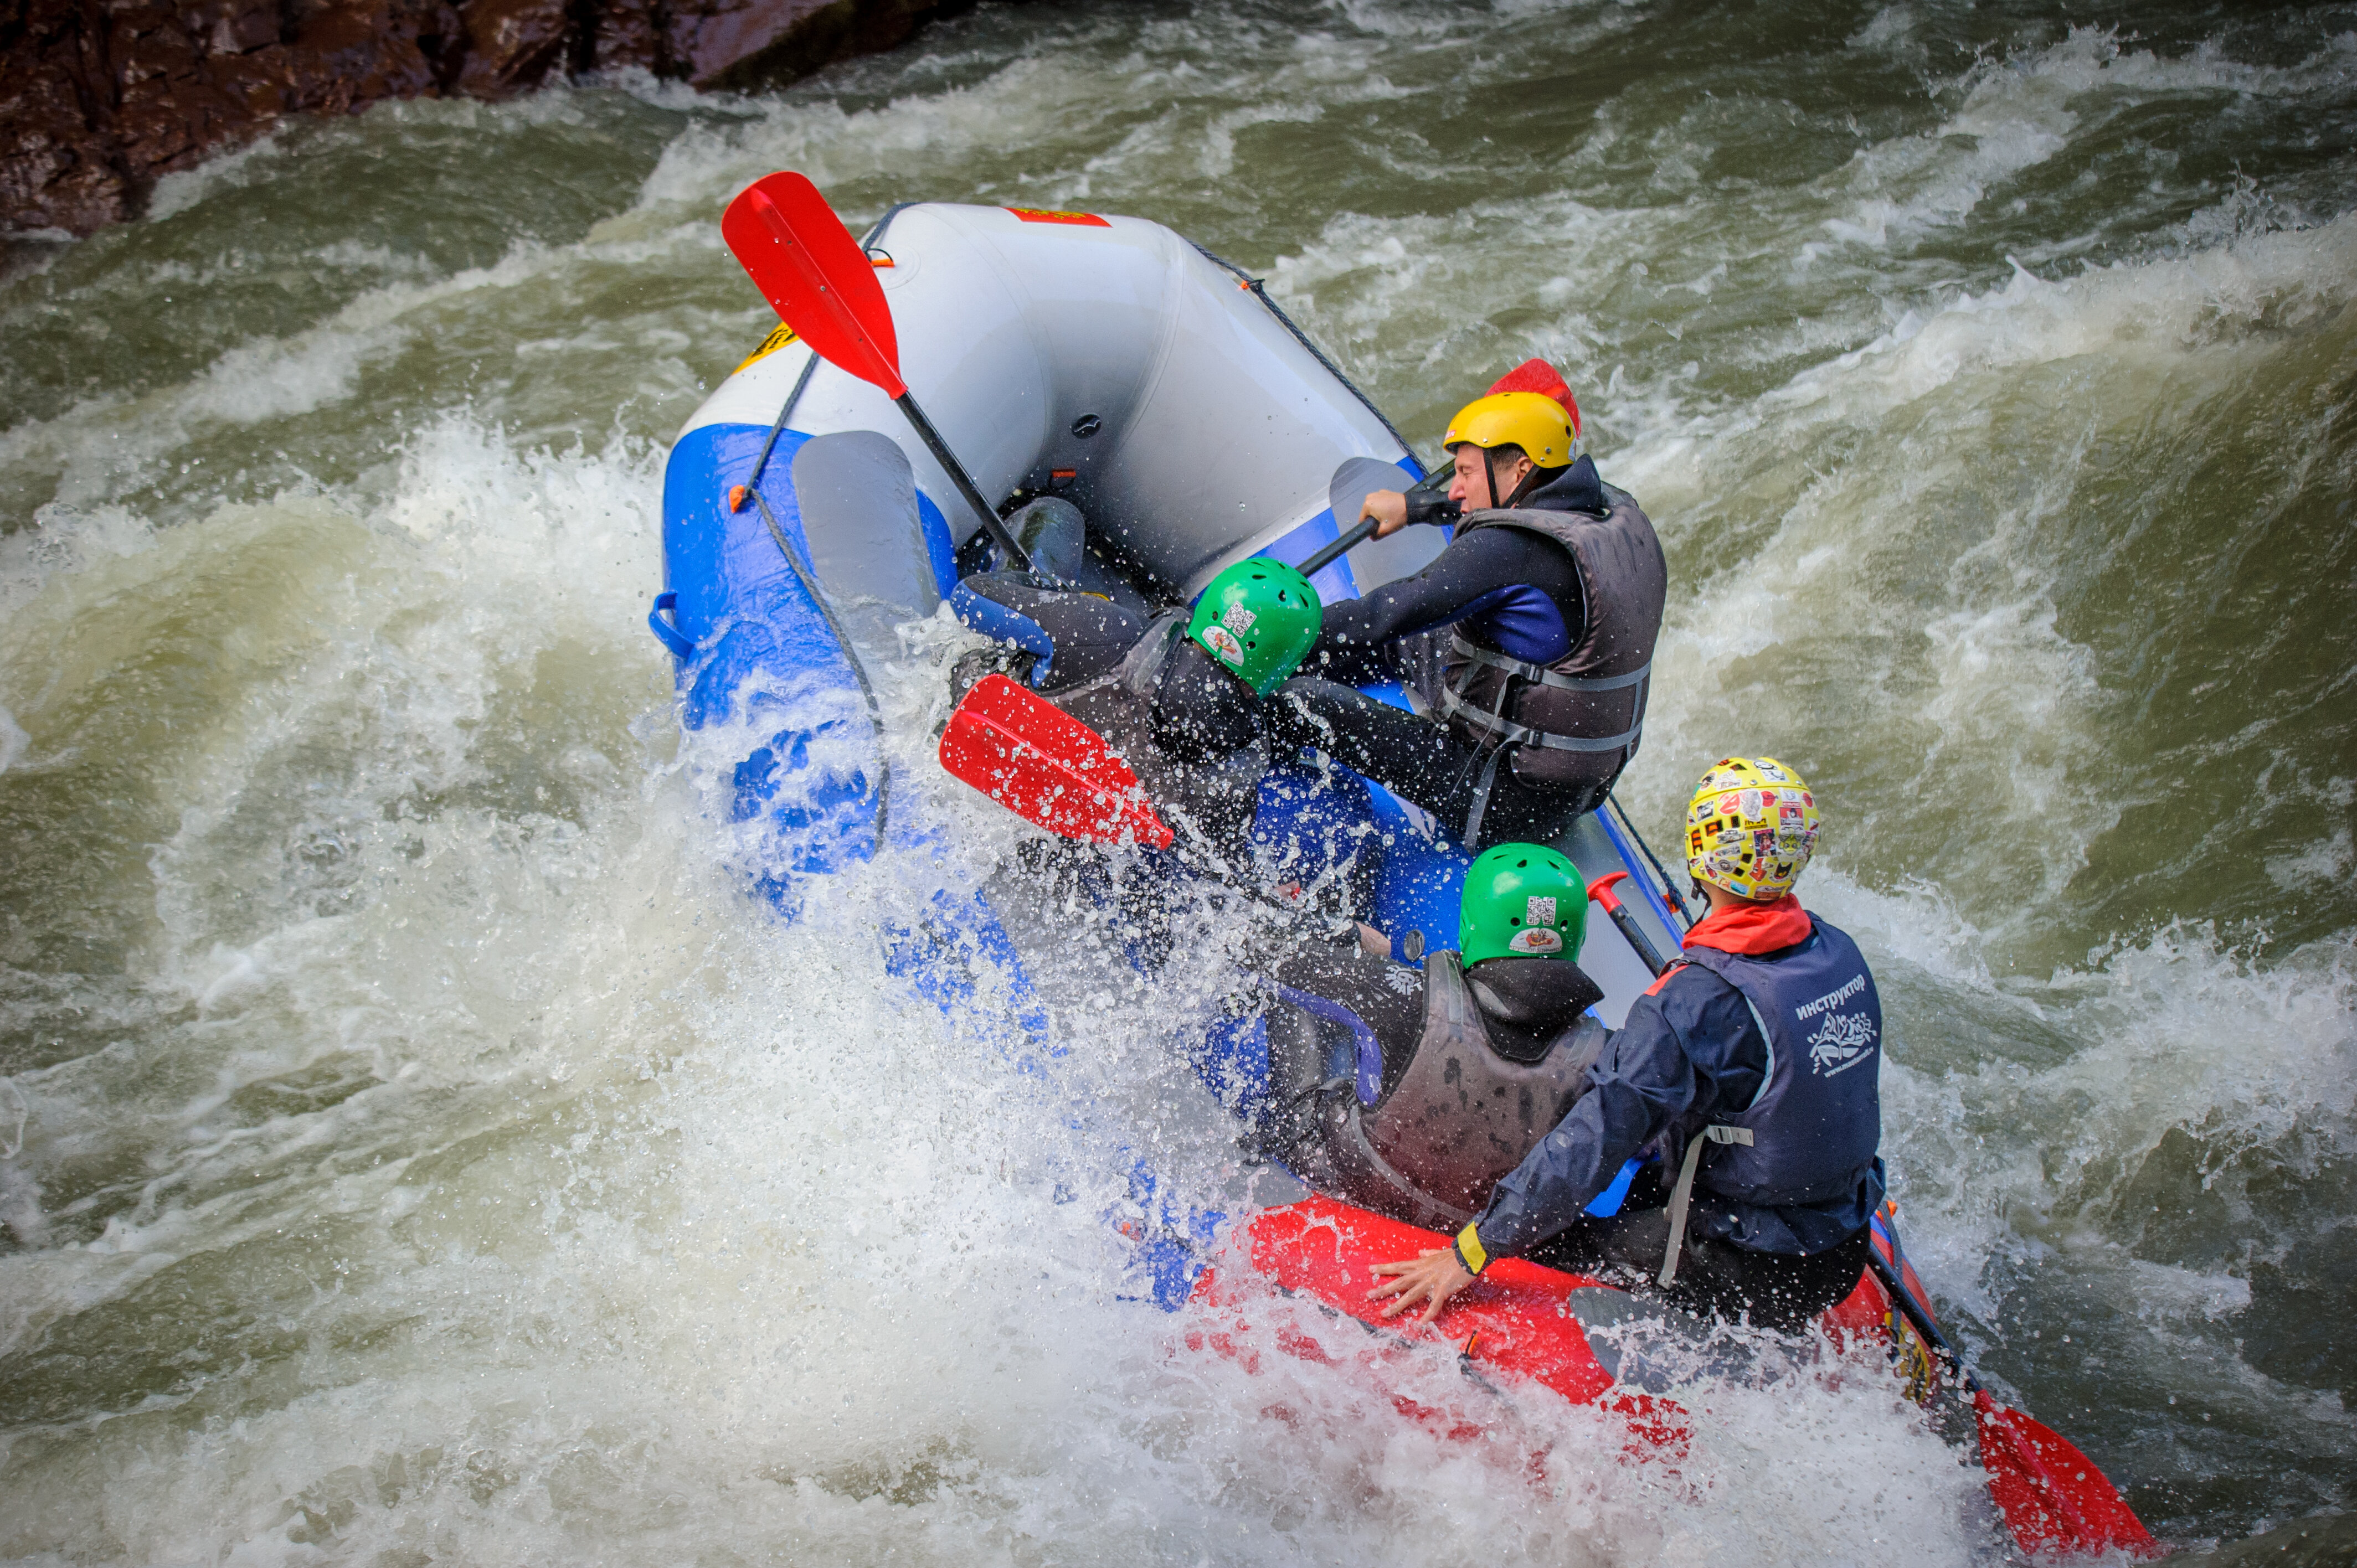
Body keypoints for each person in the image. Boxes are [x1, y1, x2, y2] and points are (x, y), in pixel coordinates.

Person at [1366, 757, 1885, 1333]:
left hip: (1752, 1269)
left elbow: (1595, 1136)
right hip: (1843, 1244)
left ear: (1700, 855)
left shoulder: (1692, 1003)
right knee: (1649, 1177)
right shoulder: (1837, 950)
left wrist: (1471, 1250)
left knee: (1544, 1244)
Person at [1265, 363, 1666, 852]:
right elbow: (1512, 514)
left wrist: (1265, 632)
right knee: (1407, 643)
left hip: (1496, 796)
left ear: (1521, 469)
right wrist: (1416, 508)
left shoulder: (1509, 553)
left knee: (1299, 701)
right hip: (1569, 788)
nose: (1456, 489)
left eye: (1466, 472)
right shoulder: (1609, 514)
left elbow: (1386, 613)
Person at [1252, 842, 1610, 1232]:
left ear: (1471, 926)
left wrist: (1347, 934)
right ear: (1577, 938)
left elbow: (1269, 953)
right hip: (1484, 1228)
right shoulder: (1609, 1055)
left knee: (1296, 997)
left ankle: (1261, 1141)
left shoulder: (1405, 994)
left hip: (1357, 1187)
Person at [951, 545, 1321, 854]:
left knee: (1058, 513)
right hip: (1077, 851)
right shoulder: (1239, 768)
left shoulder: (1104, 629)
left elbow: (969, 598)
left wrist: (1053, 594)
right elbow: (1223, 856)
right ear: (1278, 672)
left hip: (987, 755)